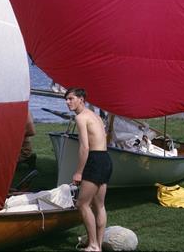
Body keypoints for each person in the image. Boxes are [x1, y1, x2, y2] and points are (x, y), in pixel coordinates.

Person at [65, 87, 112, 252]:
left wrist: (78, 171)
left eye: (71, 98)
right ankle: (97, 245)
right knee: (99, 205)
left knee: (82, 204)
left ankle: (92, 245)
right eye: (66, 99)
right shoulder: (96, 116)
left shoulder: (81, 117)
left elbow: (84, 147)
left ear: (81, 99)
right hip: (105, 159)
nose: (67, 102)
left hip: (95, 160)